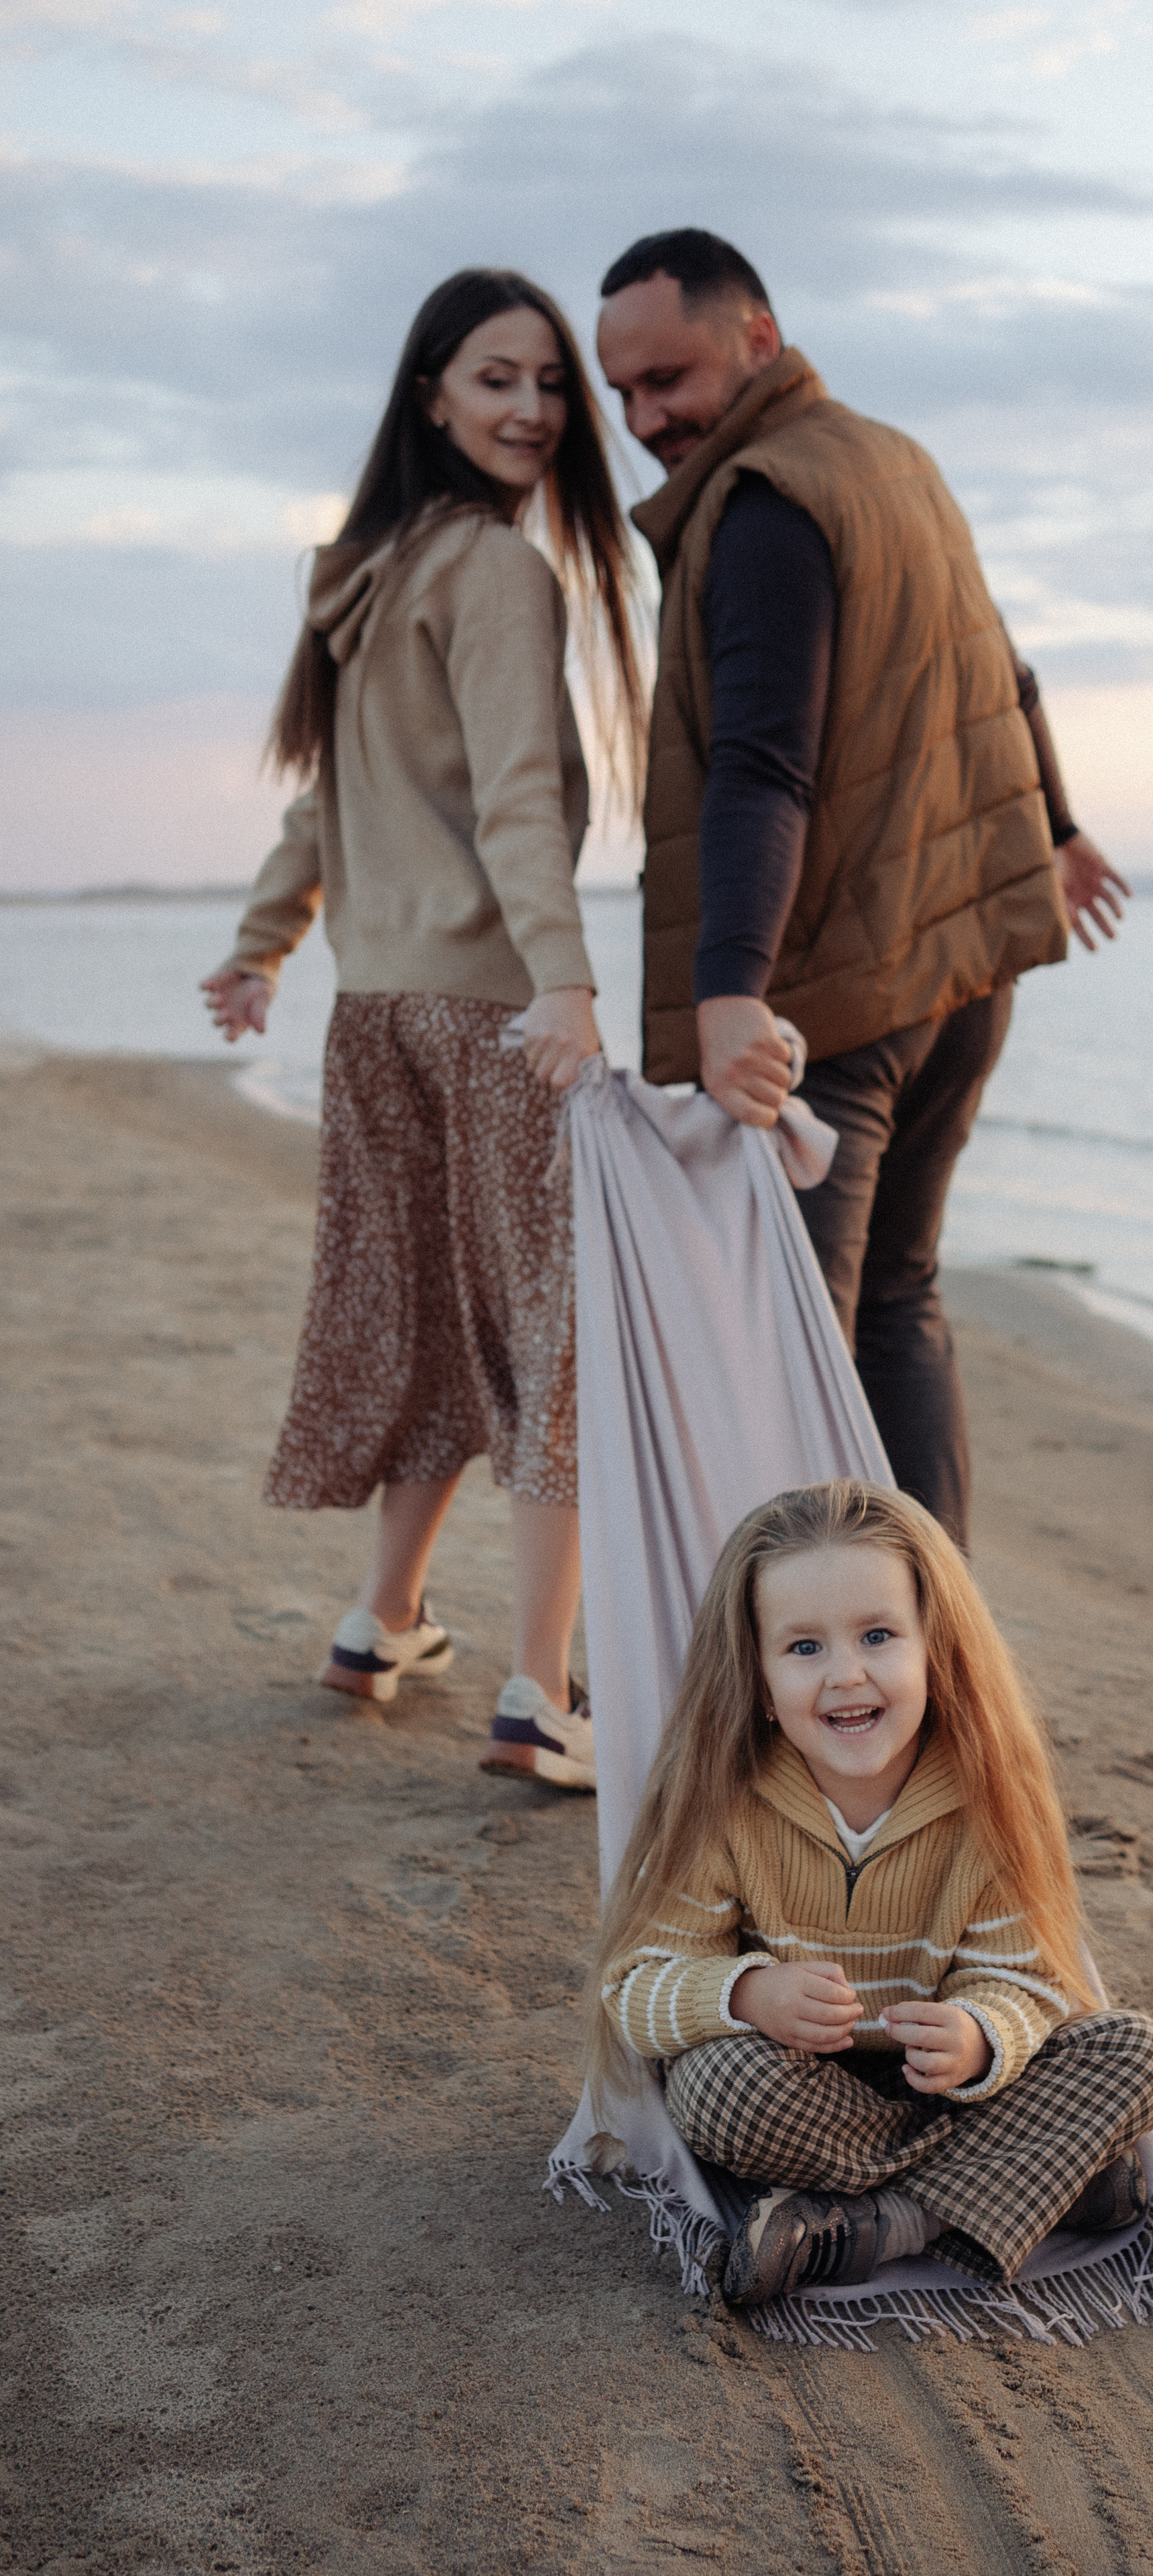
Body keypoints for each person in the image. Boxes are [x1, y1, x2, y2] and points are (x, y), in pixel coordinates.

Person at [595, 229, 1132, 1550]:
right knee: (899, 1303)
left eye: (668, 378)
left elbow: (761, 768)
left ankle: (828, 1691)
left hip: (837, 1000)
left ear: (757, 341)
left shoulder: (766, 498)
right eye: (622, 394)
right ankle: (936, 1666)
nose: (644, 417)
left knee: (798, 1349)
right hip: (963, 973)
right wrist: (1051, 827)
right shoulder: (895, 462)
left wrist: (726, 992)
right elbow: (1003, 666)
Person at [202, 267, 646, 1792]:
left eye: (547, 384)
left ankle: (381, 1620)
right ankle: (538, 1694)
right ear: (431, 396)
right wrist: (567, 979)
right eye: (494, 380)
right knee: (552, 1344)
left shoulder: (366, 567)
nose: (529, 409)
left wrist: (265, 944)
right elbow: (521, 803)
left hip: (375, 1015)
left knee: (444, 1339)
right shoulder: (498, 576)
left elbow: (320, 803)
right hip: (484, 1007)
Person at [588, 1481, 1153, 2307]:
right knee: (720, 2092)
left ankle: (886, 2224)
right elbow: (635, 1987)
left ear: (934, 1649)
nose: (846, 1675)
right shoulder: (724, 1802)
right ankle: (1050, 2184)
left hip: (955, 2094)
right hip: (802, 2095)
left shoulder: (985, 1798)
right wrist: (748, 1993)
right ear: (756, 1679)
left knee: (1136, 2054)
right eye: (804, 1649)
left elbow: (1026, 1981)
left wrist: (978, 2036)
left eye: (877, 1635)